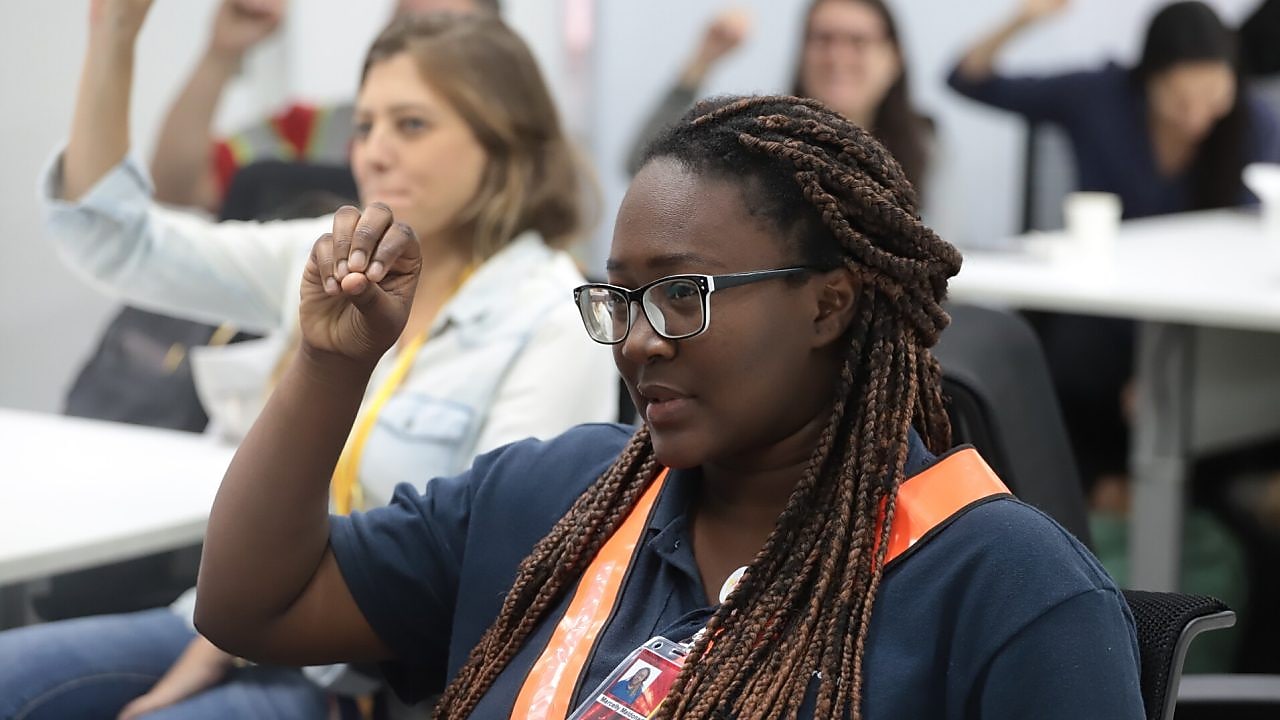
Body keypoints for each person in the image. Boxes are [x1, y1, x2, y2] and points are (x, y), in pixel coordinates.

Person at [191, 94, 1145, 719]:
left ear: (829, 303)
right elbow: (250, 605)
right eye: (620, 299)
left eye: (684, 294)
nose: (641, 339)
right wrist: (326, 368)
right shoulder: (557, 495)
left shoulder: (1004, 589)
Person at [0, 4, 616, 719]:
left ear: (502, 142)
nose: (373, 151)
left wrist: (236, 637)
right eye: (365, 126)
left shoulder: (549, 314)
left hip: (372, 673)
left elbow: (493, 574)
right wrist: (113, 39)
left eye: (411, 125)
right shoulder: (329, 260)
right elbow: (116, 240)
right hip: (230, 616)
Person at [949, 0, 1280, 497]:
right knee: (1051, 364)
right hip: (1103, 324)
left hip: (1201, 326)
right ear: (1147, 79)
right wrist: (1022, 21)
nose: (1195, 117)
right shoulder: (1099, 96)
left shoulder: (1254, 123)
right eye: (1178, 98)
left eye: (1212, 97)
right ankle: (1093, 492)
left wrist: (1162, 373)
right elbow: (967, 79)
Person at [152, 0, 499, 213]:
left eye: (446, 35)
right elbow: (177, 188)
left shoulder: (508, 156)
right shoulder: (315, 128)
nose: (419, 50)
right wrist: (222, 53)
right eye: (404, 26)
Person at [625, 1, 934, 197]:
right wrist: (702, 60)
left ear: (894, 58)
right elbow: (642, 163)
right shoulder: (766, 139)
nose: (837, 56)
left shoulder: (929, 147)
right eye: (823, 39)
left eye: (858, 41)